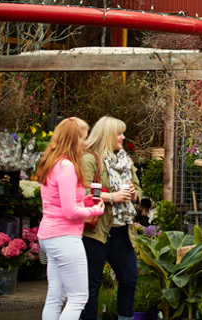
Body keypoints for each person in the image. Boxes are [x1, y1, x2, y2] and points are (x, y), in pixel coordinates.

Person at [36, 117, 104, 320]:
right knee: (78, 297)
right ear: (73, 139)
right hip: (65, 237)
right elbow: (69, 212)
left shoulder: (51, 163)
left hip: (49, 236)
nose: (86, 142)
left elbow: (58, 202)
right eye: (83, 138)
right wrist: (94, 211)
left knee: (55, 297)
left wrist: (84, 201)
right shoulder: (67, 167)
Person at [80, 116, 142, 320]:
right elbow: (82, 190)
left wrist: (133, 194)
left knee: (129, 279)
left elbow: (138, 190)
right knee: (92, 283)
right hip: (97, 231)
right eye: (119, 133)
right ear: (107, 135)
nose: (123, 137)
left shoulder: (125, 160)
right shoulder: (89, 159)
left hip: (122, 229)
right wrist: (112, 197)